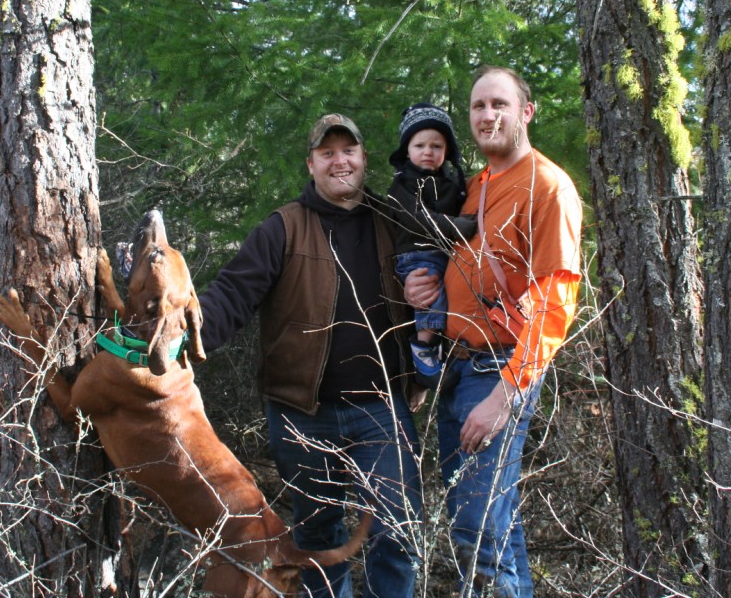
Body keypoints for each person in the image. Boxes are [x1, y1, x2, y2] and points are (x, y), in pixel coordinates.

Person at [198, 113, 423, 598]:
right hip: (302, 415)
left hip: (382, 411)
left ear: (363, 157)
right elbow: (233, 293)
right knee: (318, 538)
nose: (340, 162)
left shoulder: (392, 222)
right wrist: (185, 337)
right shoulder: (283, 228)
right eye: (327, 153)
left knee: (398, 532)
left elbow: (430, 290)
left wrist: (422, 377)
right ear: (311, 164)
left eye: (348, 151)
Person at [405, 66, 583, 598]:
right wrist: (421, 287)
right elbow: (460, 263)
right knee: (490, 525)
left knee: (477, 527)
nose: (488, 115)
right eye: (479, 106)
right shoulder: (477, 186)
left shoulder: (547, 186)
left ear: (526, 112)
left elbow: (555, 306)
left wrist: (504, 396)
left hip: (497, 370)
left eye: (499, 104)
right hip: (458, 366)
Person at [385, 102, 477, 388]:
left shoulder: (451, 182)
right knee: (431, 292)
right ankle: (423, 350)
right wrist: (459, 226)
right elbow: (417, 219)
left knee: (448, 295)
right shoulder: (402, 185)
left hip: (444, 251)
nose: (428, 151)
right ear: (407, 150)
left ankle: (437, 351)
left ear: (447, 151)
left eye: (436, 146)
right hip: (416, 253)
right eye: (420, 145)